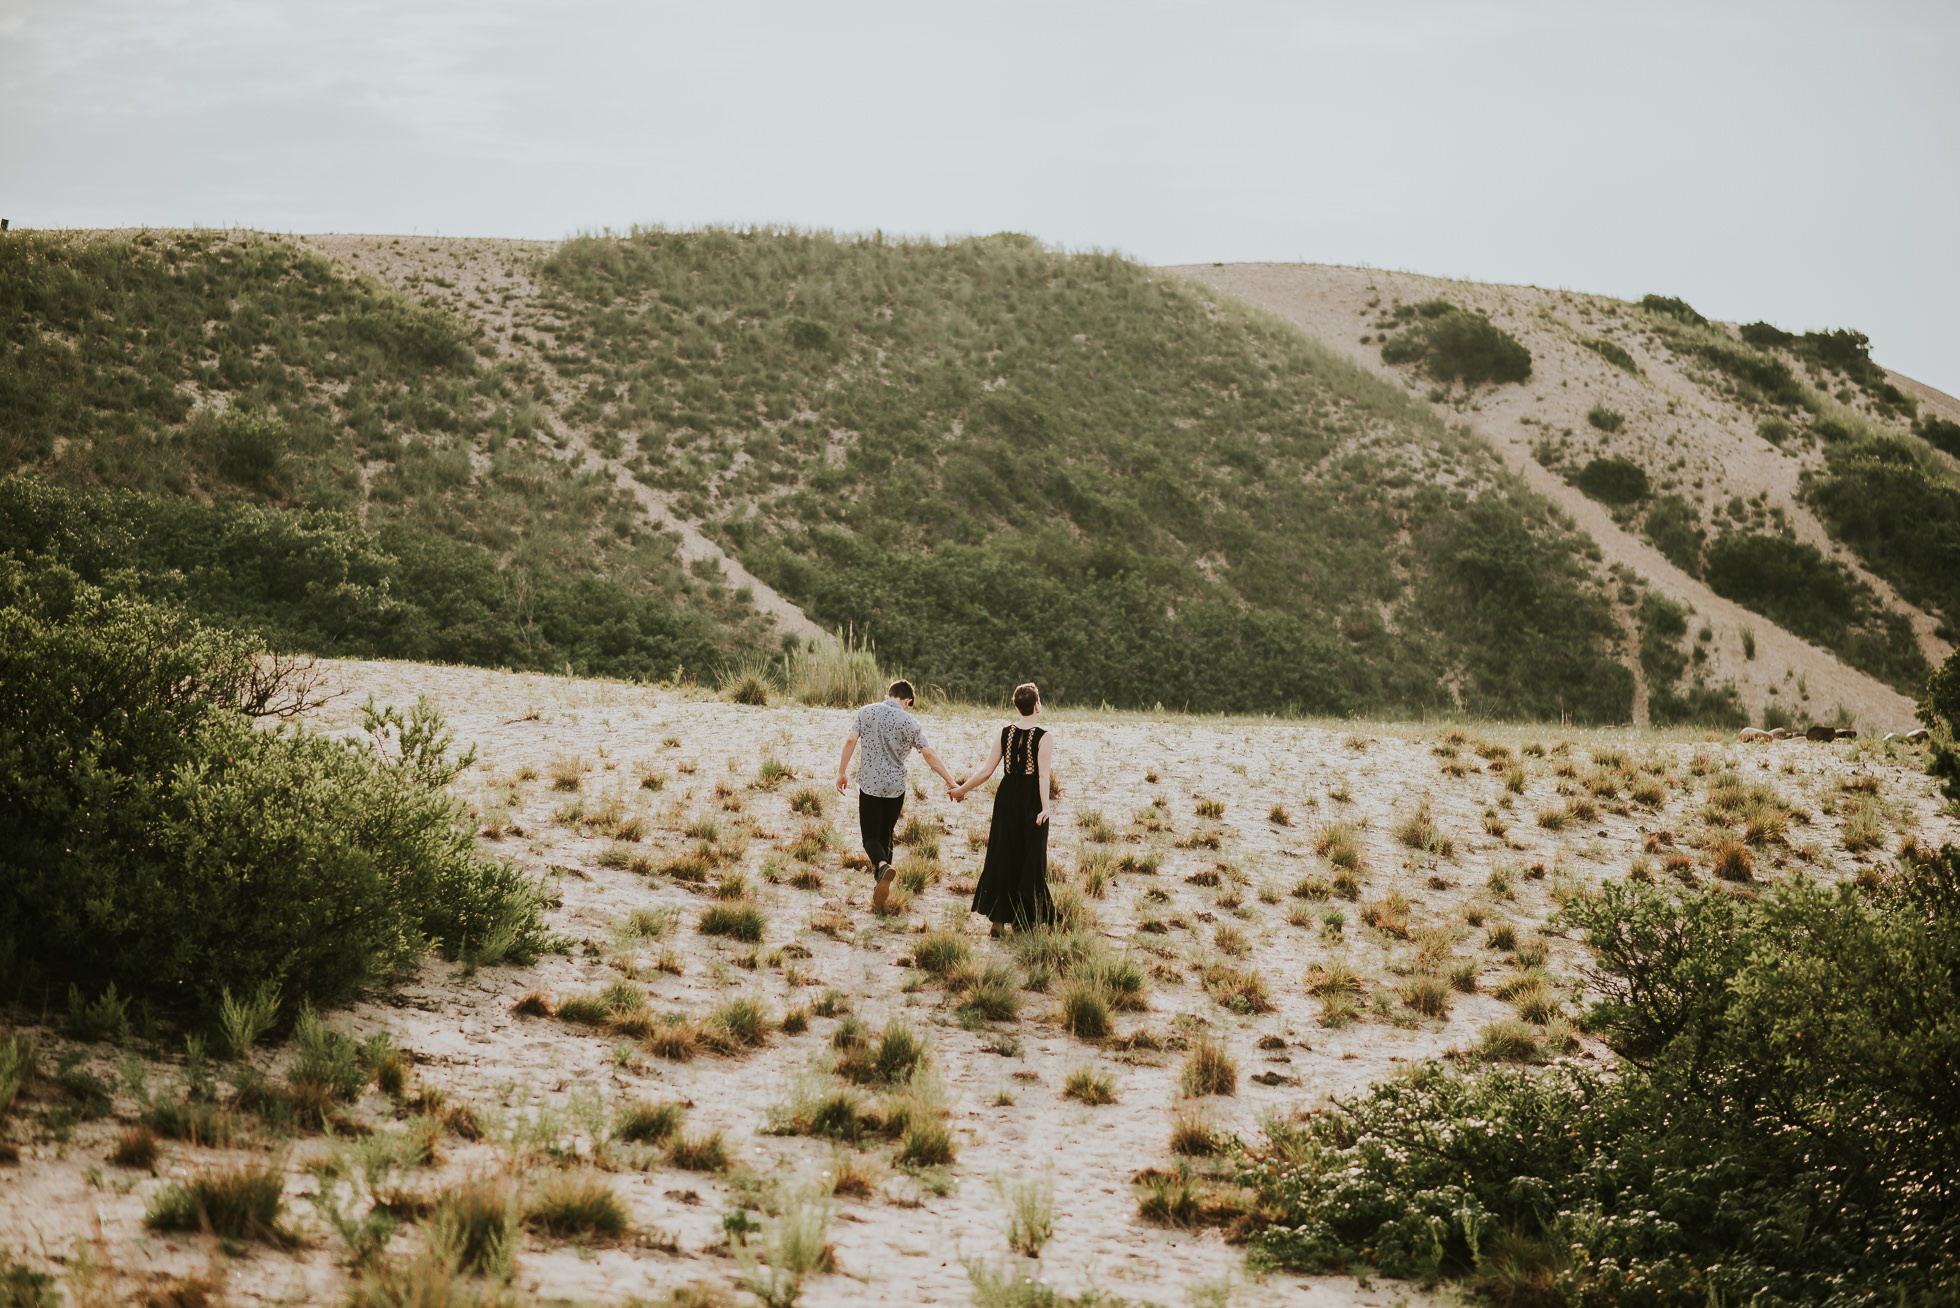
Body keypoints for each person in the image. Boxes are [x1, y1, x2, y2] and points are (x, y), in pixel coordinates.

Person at [835, 678, 959, 911]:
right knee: (886, 835)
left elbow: (851, 739)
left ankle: (882, 866)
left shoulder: (866, 712)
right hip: (895, 789)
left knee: (870, 838)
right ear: (907, 701)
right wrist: (951, 781)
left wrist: (841, 772)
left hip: (870, 785)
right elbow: (928, 753)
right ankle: (881, 889)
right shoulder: (909, 721)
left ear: (889, 694)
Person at [951, 681, 1055, 933]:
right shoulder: (1044, 735)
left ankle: (998, 921)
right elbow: (1042, 776)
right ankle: (1024, 921)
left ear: (1018, 707)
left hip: (1007, 798)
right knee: (1031, 858)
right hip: (1031, 800)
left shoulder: (1004, 732)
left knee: (1003, 854)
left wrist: (961, 790)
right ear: (1037, 705)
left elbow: (987, 771)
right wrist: (1045, 807)